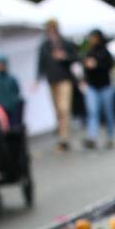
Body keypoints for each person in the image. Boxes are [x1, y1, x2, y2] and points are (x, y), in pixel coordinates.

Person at [36, 19, 77, 151]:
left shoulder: (65, 43)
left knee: (63, 108)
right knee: (57, 110)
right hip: (52, 80)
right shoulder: (45, 46)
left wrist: (64, 57)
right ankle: (62, 136)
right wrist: (37, 79)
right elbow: (41, 63)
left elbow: (75, 57)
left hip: (64, 79)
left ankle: (64, 138)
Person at [81, 29, 115, 149]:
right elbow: (85, 69)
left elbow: (110, 66)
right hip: (92, 86)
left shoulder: (105, 53)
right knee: (93, 112)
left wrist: (97, 65)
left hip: (105, 86)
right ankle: (92, 137)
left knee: (108, 113)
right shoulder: (88, 53)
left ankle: (110, 137)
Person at [0, 56, 22, 124]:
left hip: (12, 107)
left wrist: (13, 102)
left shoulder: (12, 79)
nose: (0, 66)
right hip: (0, 109)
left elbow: (17, 91)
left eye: (2, 64)